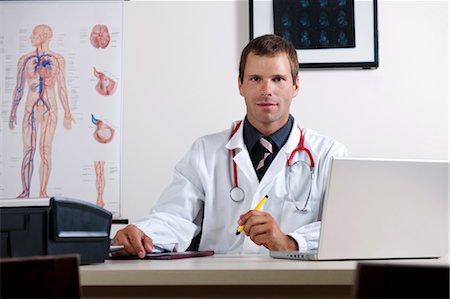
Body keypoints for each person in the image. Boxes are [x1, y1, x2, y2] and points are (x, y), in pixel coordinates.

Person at [112, 34, 347, 257]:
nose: (267, 90)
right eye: (255, 79)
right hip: (219, 282)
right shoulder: (205, 151)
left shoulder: (328, 154)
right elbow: (174, 217)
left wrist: (289, 242)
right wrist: (142, 235)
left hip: (298, 283)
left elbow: (345, 227)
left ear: (295, 86)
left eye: (278, 79)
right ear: (240, 85)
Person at [9, 24, 74, 198]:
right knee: (28, 149)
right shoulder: (24, 60)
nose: (31, 37)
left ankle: (43, 191)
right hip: (30, 107)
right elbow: (19, 87)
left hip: (49, 107)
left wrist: (68, 111)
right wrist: (13, 110)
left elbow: (62, 87)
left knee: (45, 149)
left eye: (35, 34)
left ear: (44, 36)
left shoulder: (58, 59)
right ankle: (25, 191)